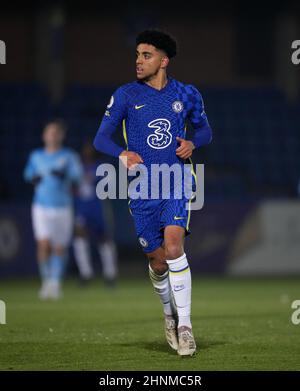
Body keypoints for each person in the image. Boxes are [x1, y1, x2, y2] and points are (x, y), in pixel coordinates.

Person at [93, 30, 212, 356]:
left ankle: (186, 327)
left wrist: (192, 143)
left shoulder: (186, 94)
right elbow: (100, 139)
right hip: (144, 187)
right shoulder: (126, 95)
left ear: (163, 60)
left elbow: (205, 131)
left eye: (146, 55)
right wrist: (122, 154)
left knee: (174, 247)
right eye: (137, 55)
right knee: (158, 262)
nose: (138, 61)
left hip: (176, 179)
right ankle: (169, 313)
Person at [24, 119, 83, 299]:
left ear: (61, 136)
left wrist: (66, 175)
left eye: (56, 132)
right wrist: (33, 178)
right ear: (44, 136)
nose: (53, 136)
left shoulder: (69, 156)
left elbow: (78, 176)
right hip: (41, 206)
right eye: (50, 132)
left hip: (63, 206)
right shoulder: (36, 156)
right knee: (43, 243)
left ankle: (56, 282)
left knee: (59, 247)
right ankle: (46, 282)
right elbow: (27, 173)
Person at [73, 140, 118, 286]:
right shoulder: (76, 167)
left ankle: (110, 274)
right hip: (82, 208)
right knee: (80, 237)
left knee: (104, 239)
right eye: (85, 149)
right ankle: (85, 274)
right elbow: (71, 185)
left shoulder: (102, 167)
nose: (87, 152)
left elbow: (109, 186)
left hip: (98, 207)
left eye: (90, 149)